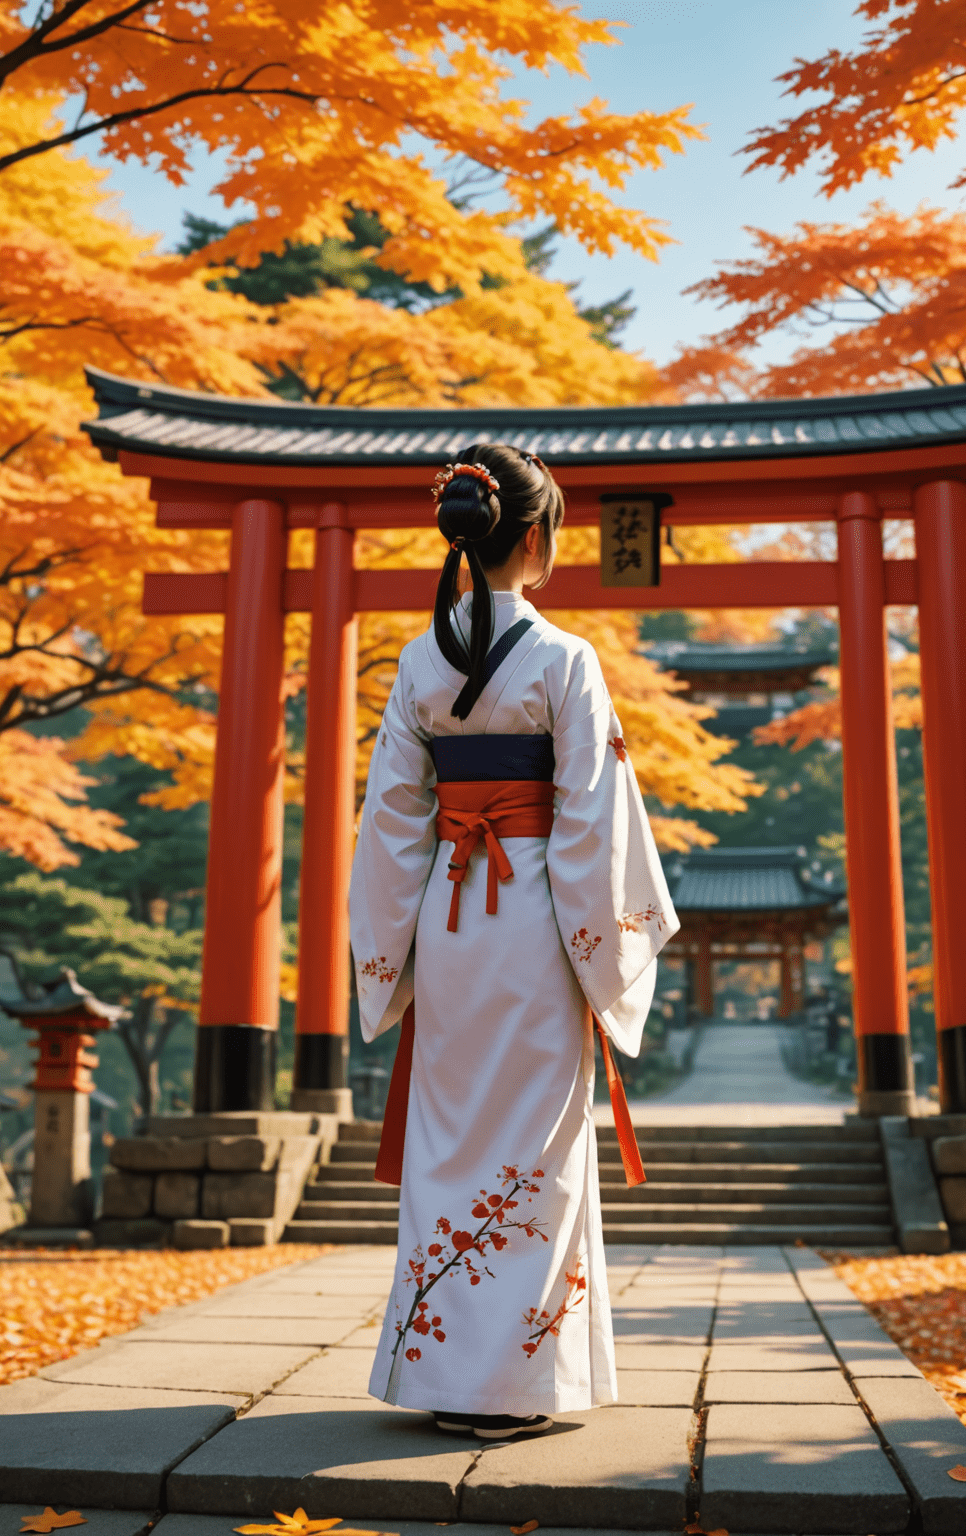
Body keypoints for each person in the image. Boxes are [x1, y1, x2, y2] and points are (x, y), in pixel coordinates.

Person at [348, 443, 679, 1441]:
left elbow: (391, 826)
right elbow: (592, 822)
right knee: (535, 1149)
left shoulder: (416, 661)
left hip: (451, 920)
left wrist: (392, 953)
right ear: (535, 540)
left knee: (449, 1146)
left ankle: (446, 1373)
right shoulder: (563, 659)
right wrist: (603, 949)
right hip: (534, 923)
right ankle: (516, 1386)